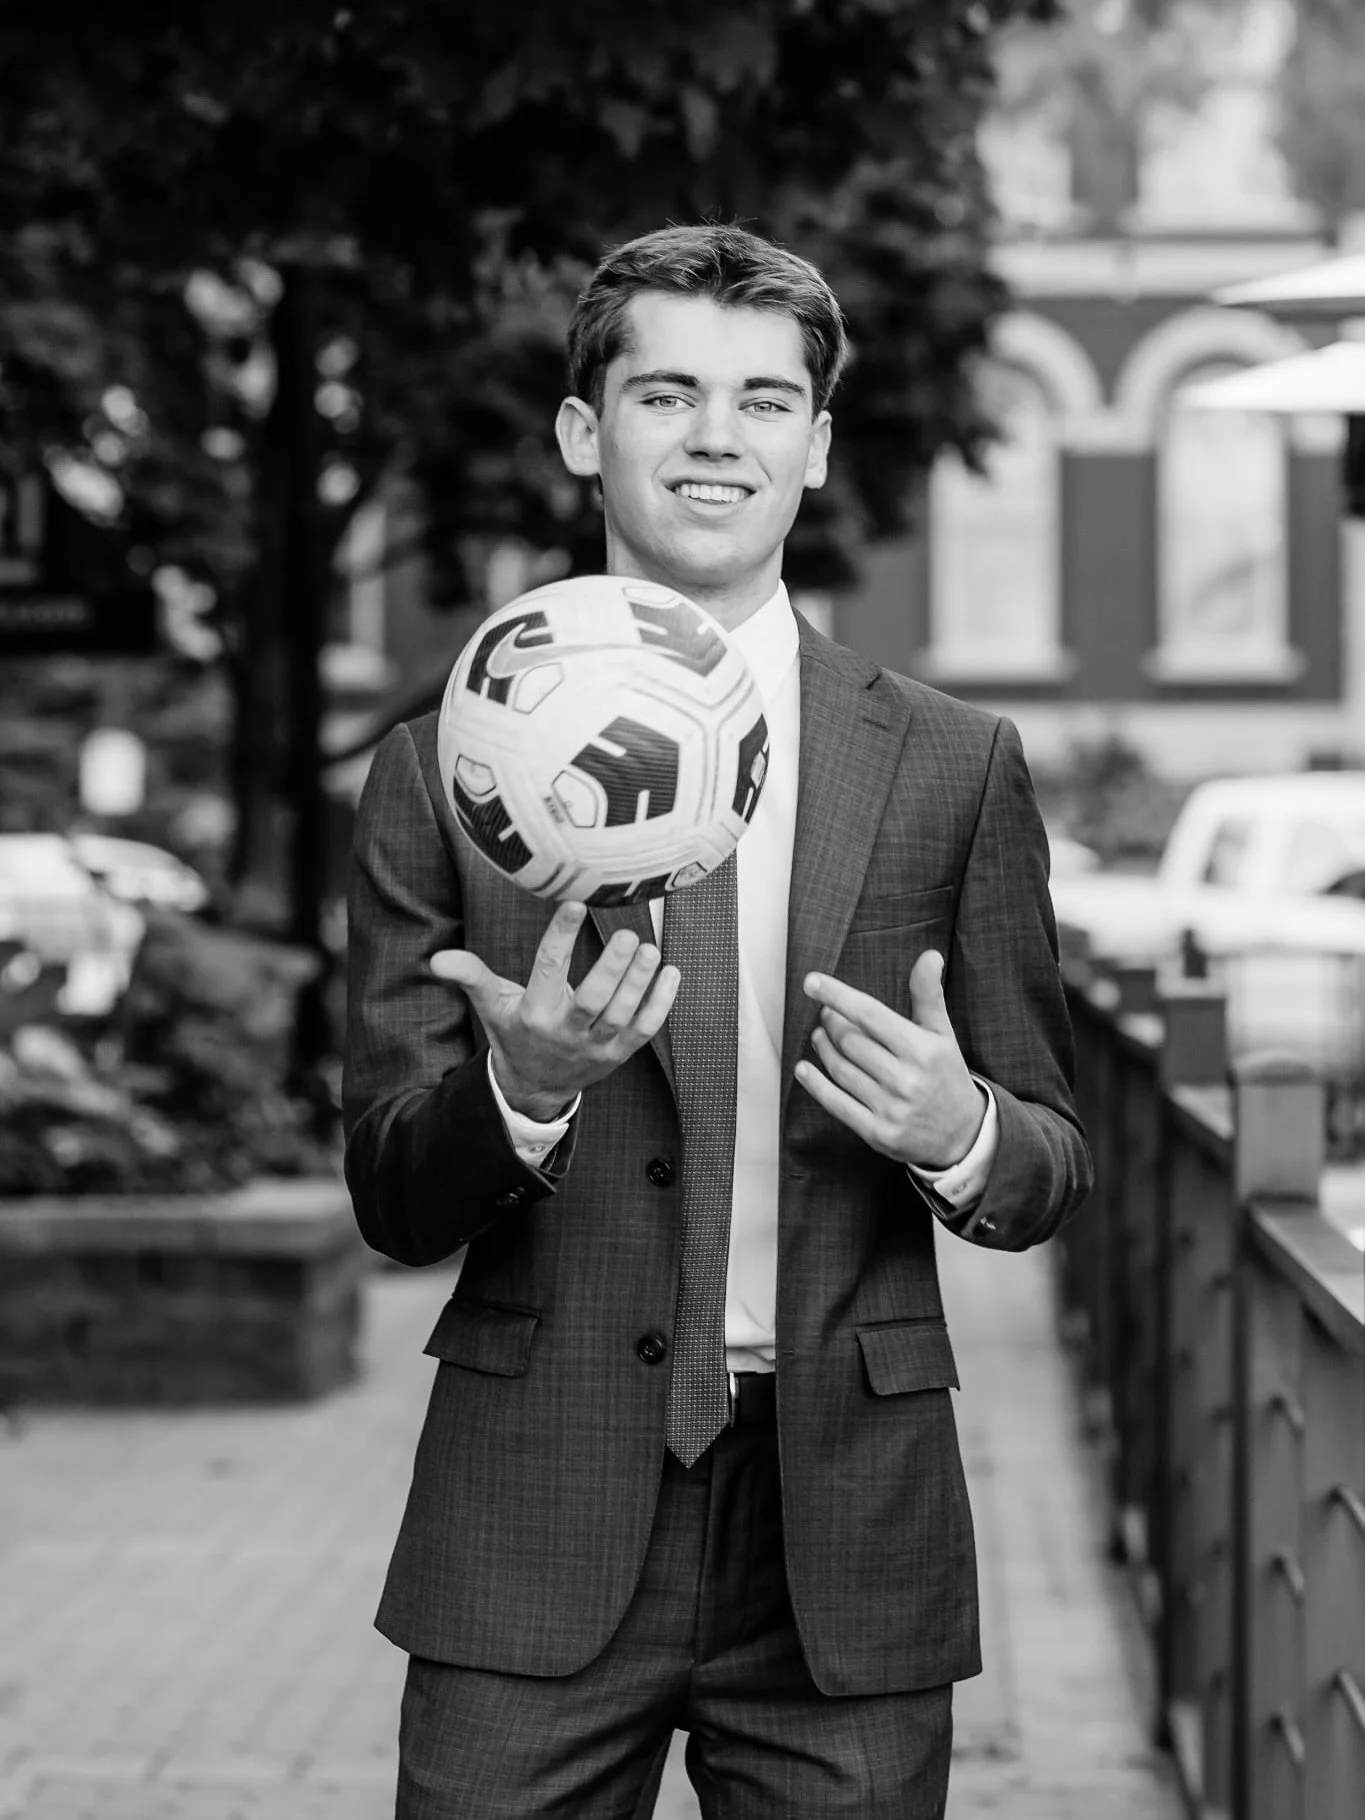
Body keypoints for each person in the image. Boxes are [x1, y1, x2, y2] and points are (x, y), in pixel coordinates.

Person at [344, 222, 1091, 1820]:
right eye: (666, 392)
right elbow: (392, 1193)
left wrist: (965, 1133)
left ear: (814, 448)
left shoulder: (953, 765)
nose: (713, 437)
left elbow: (1054, 1165)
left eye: (762, 402)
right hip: (533, 1513)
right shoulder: (441, 769)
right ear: (582, 430)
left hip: (845, 1529)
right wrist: (522, 1093)